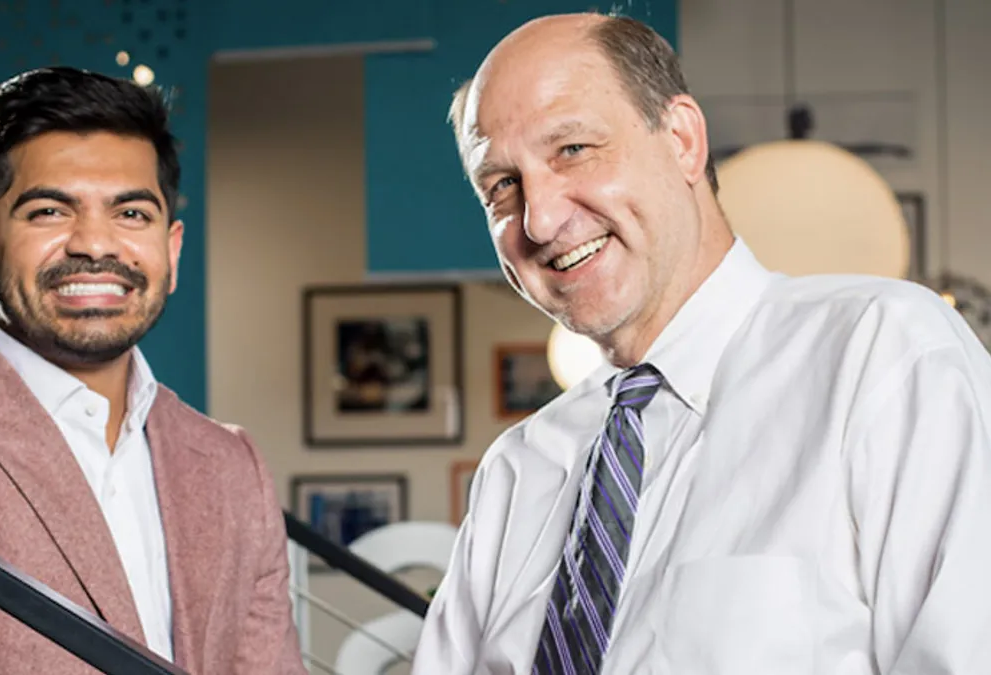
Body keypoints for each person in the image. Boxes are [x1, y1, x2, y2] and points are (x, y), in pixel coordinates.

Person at [413, 12, 991, 675]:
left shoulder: (883, 356)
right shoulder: (518, 468)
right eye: (502, 185)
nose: (540, 218)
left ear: (683, 139)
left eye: (573, 149)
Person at [0, 66, 307, 675]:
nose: (95, 243)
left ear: (170, 251)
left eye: (132, 215)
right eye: (47, 212)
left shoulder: (231, 465)